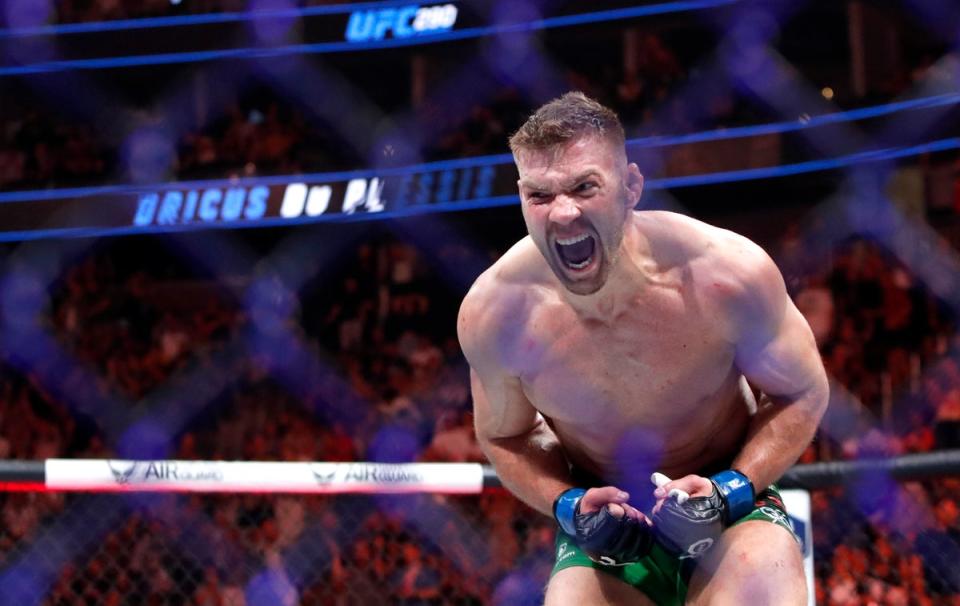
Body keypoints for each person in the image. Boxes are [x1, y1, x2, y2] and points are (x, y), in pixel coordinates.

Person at [457, 92, 829, 605]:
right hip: (607, 530)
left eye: (584, 187)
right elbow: (504, 437)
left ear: (631, 187)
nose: (563, 214)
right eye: (539, 195)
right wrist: (568, 505)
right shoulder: (495, 313)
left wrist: (731, 490)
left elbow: (802, 392)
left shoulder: (726, 274)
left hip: (732, 509)